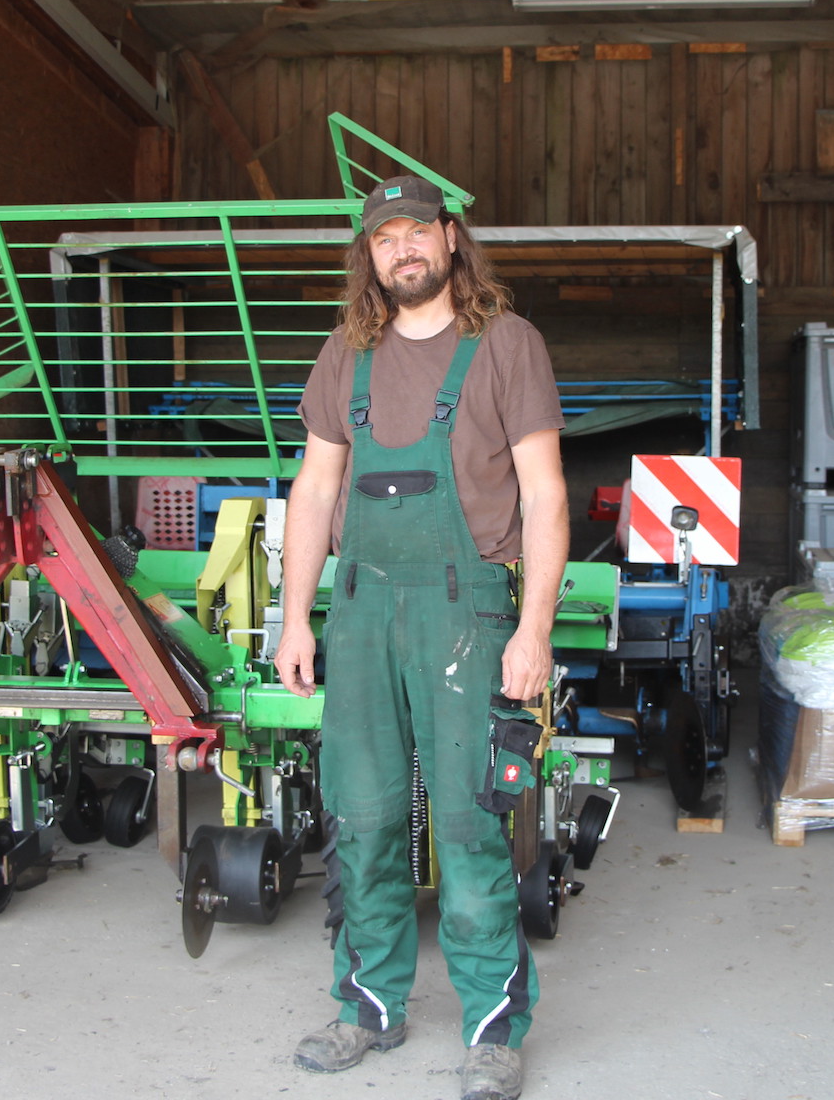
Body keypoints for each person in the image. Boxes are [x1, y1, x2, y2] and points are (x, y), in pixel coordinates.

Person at [272, 174, 568, 1100]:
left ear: (451, 238)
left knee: (470, 823)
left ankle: (491, 1027)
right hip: (360, 610)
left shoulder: (507, 346)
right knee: (359, 817)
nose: (403, 248)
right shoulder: (345, 353)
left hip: (466, 611)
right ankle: (369, 1005)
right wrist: (294, 619)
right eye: (384, 236)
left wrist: (535, 630)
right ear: (370, 255)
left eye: (418, 231)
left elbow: (547, 494)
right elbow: (316, 491)